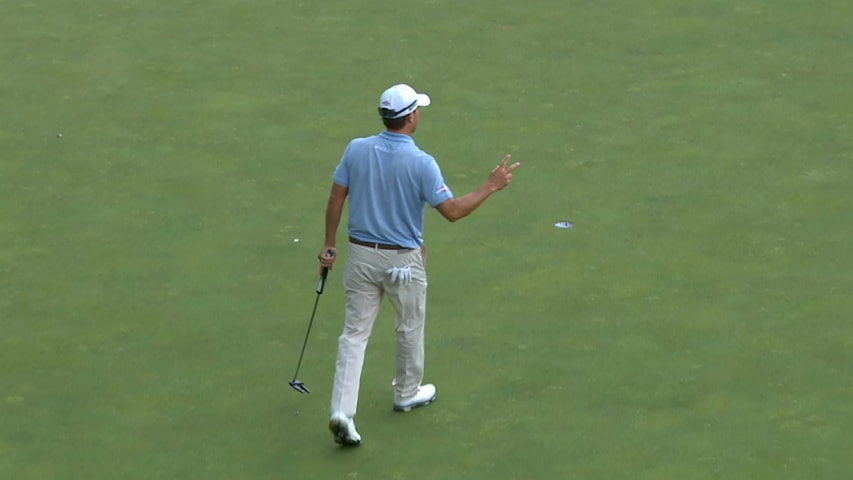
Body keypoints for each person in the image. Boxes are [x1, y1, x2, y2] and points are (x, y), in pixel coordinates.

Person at [317, 83, 521, 446]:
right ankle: (406, 393)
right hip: (403, 263)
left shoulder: (356, 149)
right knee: (409, 326)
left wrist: (330, 245)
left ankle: (342, 411)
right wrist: (490, 186)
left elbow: (336, 199)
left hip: (361, 255)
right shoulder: (421, 162)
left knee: (354, 334)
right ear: (411, 117)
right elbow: (453, 212)